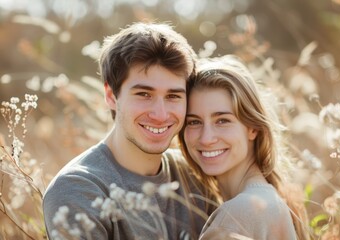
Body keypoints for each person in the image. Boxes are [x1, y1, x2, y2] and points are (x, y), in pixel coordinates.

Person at [43, 22, 215, 240]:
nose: (161, 114)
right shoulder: (77, 190)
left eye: (173, 96)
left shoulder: (194, 172)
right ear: (111, 96)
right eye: (144, 94)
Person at [178, 55, 310, 240]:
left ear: (253, 128)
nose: (206, 138)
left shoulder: (241, 212)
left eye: (222, 120)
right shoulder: (268, 200)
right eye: (194, 122)